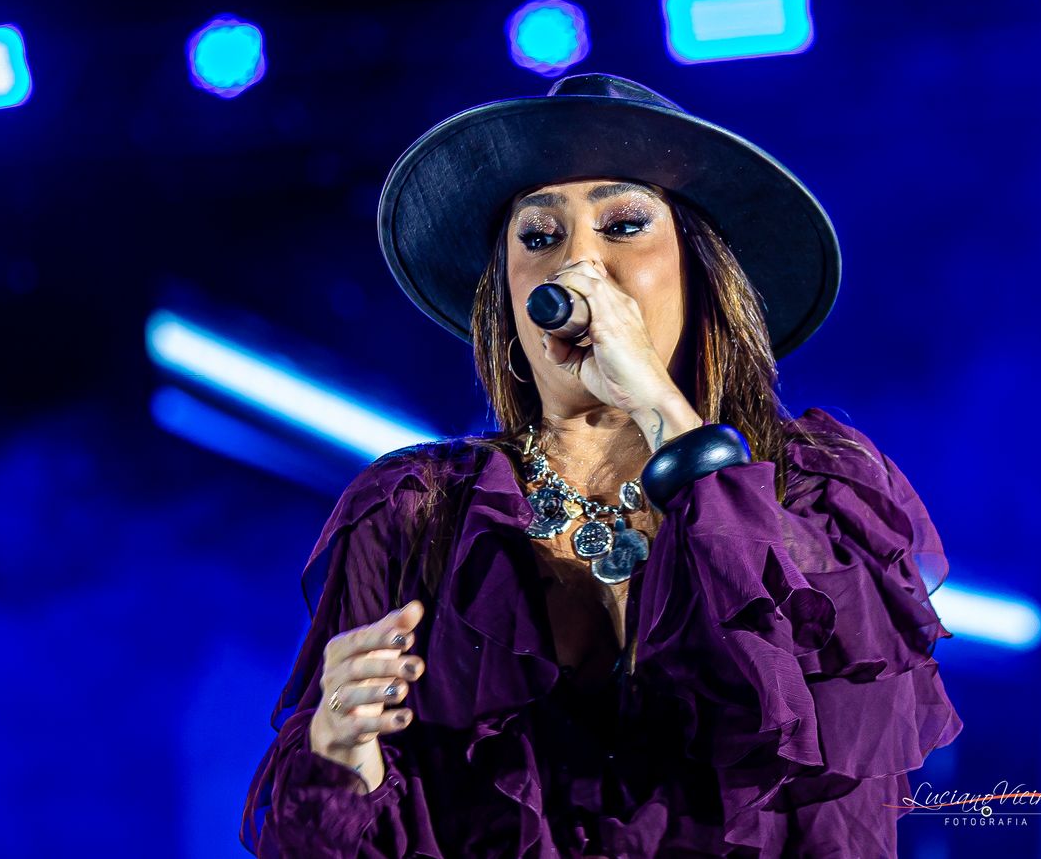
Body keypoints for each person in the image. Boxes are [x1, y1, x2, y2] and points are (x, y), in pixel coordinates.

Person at [239, 73, 962, 857]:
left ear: (701, 271)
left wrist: (659, 406)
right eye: (539, 237)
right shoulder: (416, 510)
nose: (578, 264)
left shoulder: (823, 493)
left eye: (622, 225)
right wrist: (341, 754)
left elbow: (812, 745)